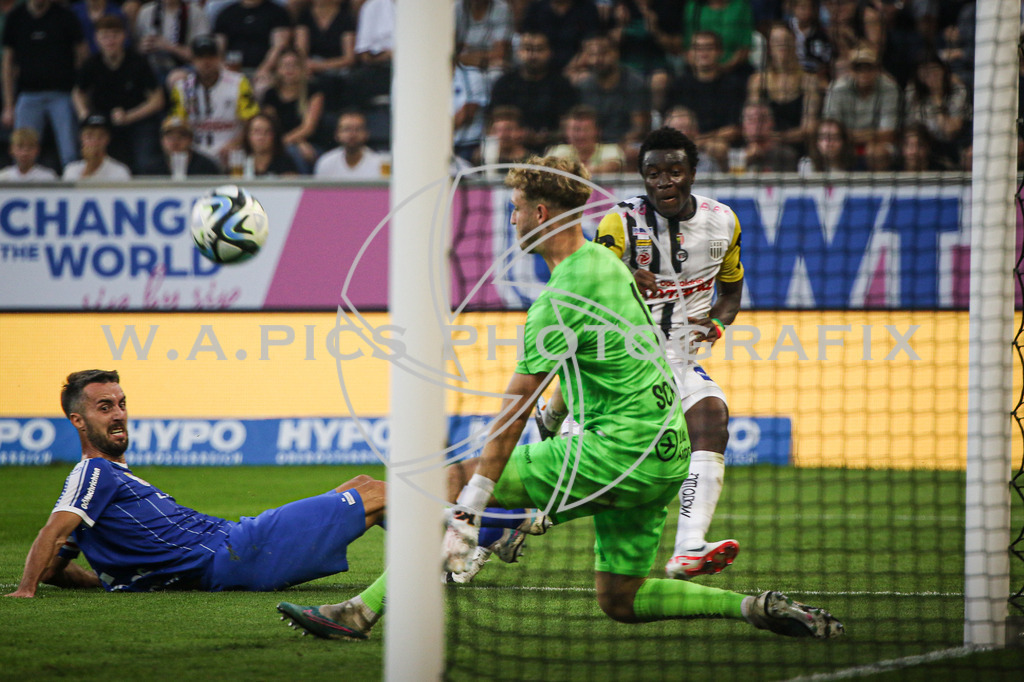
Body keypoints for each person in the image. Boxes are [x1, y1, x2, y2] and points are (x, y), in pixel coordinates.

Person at [279, 156, 845, 640]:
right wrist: (550, 435)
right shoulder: (606, 261)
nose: (511, 218)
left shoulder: (555, 302)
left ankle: (360, 611)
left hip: (619, 450)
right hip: (667, 450)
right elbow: (591, 365)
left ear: (542, 214)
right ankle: (756, 607)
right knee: (619, 599)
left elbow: (510, 413)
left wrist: (473, 504)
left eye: (517, 208)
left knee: (452, 479)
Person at [4, 369, 389, 598]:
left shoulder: (105, 486)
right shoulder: (94, 472)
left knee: (361, 483)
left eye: (121, 403)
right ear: (78, 421)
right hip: (239, 550)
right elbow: (54, 531)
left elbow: (55, 567)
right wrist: (26, 589)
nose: (119, 414)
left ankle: (445, 549)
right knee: (378, 493)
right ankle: (449, 536)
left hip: (237, 550)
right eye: (104, 407)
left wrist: (113, 583)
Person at [588, 127, 745, 580]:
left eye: (674, 171)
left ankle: (689, 548)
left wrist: (717, 321)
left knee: (712, 419)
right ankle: (488, 533)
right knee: (567, 479)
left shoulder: (723, 223)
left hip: (677, 362)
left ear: (692, 173)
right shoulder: (621, 222)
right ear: (642, 177)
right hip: (617, 364)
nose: (663, 182)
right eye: (652, 173)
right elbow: (588, 276)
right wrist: (622, 276)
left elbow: (731, 294)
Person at [72, 15, 166, 174]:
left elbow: (157, 100)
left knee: (145, 163)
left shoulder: (138, 62)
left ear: (124, 36)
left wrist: (129, 116)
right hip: (103, 122)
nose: (110, 41)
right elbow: (77, 92)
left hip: (138, 121)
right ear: (96, 39)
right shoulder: (92, 64)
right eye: (105, 36)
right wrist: (84, 114)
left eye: (115, 35)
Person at [1, 0, 87, 171]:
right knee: (22, 149)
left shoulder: (65, 16)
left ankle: (72, 190)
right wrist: (9, 105)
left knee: (69, 151)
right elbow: (8, 63)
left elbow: (82, 55)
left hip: (62, 93)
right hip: (28, 94)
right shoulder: (16, 17)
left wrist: (80, 90)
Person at [168, 34, 260, 168]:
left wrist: (234, 144)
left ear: (219, 58)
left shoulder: (238, 83)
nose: (206, 62)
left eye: (211, 56)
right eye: (200, 57)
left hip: (232, 151)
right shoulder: (182, 88)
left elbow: (251, 121)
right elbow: (178, 125)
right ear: (192, 60)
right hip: (195, 155)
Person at [488, 31, 578, 153]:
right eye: (527, 49)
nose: (533, 55)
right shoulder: (505, 84)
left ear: (549, 52)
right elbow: (494, 123)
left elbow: (568, 126)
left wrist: (546, 137)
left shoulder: (561, 84)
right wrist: (518, 134)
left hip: (553, 149)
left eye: (539, 50)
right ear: (519, 52)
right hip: (512, 148)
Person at [663, 31, 746, 148]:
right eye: (698, 48)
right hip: (684, 146)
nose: (704, 53)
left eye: (709, 48)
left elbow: (733, 130)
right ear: (689, 54)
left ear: (720, 52)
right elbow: (669, 126)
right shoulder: (679, 85)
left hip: (721, 147)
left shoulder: (734, 85)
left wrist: (699, 142)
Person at [747, 23, 820, 153]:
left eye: (786, 41)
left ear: (794, 44)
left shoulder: (808, 81)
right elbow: (753, 123)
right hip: (765, 146)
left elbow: (809, 128)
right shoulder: (758, 81)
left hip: (799, 146)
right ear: (769, 47)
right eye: (776, 42)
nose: (782, 46)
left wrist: (779, 138)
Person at [573, 34, 649, 157]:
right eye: (592, 55)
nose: (597, 60)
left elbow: (639, 127)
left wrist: (616, 147)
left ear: (616, 53)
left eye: (603, 54)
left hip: (624, 144)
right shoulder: (583, 86)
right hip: (593, 144)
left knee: (632, 151)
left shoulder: (635, 83)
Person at [821, 45, 900, 153]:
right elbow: (831, 129)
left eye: (869, 68)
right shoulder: (837, 89)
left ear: (877, 69)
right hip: (843, 143)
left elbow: (888, 133)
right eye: (858, 68)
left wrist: (848, 135)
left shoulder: (889, 88)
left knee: (876, 152)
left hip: (878, 143)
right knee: (829, 145)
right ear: (850, 70)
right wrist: (869, 134)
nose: (864, 73)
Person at [260, 47, 325, 173]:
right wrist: (291, 143)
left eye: (294, 65)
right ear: (278, 69)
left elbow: (308, 128)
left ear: (302, 69)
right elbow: (270, 125)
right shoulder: (270, 94)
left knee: (294, 152)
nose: (289, 69)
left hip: (311, 144)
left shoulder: (313, 91)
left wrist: (292, 142)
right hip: (278, 143)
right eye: (285, 65)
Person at [902, 54, 968, 168]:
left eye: (934, 69)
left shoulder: (957, 90)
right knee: (913, 144)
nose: (931, 75)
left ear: (943, 71)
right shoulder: (913, 91)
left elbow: (950, 131)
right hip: (921, 141)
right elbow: (910, 126)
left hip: (948, 143)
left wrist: (936, 97)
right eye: (925, 71)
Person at [212, 0, 293, 89]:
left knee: (263, 87)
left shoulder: (277, 12)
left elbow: (279, 46)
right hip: (232, 70)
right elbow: (218, 48)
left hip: (265, 70)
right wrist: (224, 69)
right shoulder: (227, 13)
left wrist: (264, 69)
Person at [133, 0, 212, 85]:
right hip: (153, 66)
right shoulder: (146, 12)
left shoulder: (195, 13)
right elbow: (135, 47)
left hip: (184, 67)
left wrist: (168, 47)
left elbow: (201, 55)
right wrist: (142, 47)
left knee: (176, 78)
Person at [546, 105, 625, 175]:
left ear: (597, 132)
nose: (581, 135)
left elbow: (611, 167)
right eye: (576, 129)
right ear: (567, 132)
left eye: (586, 130)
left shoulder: (612, 150)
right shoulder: (557, 151)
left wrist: (569, 171)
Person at [313, 109, 388, 180]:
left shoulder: (381, 164)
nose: (352, 134)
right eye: (346, 129)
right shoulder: (325, 163)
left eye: (358, 129)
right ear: (337, 134)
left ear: (366, 134)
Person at [137, 115, 222, 176]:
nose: (175, 142)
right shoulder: (151, 168)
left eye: (182, 136)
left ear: (191, 140)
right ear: (162, 141)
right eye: (170, 137)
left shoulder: (206, 166)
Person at [731, 101, 799, 173]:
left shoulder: (786, 155)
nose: (757, 125)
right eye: (751, 120)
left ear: (772, 123)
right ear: (743, 126)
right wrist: (744, 160)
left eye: (762, 120)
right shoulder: (735, 155)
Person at [62, 113, 132, 180]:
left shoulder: (120, 171)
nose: (95, 142)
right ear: (81, 138)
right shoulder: (71, 169)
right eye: (89, 136)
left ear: (108, 139)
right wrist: (89, 167)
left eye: (101, 136)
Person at [452, 57, 488, 162]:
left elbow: (466, 115)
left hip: (467, 144)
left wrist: (433, 133)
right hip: (436, 142)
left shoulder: (472, 75)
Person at [242, 112, 300, 176]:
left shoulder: (285, 163)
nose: (261, 137)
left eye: (267, 132)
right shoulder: (240, 162)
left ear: (274, 135)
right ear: (248, 135)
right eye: (256, 131)